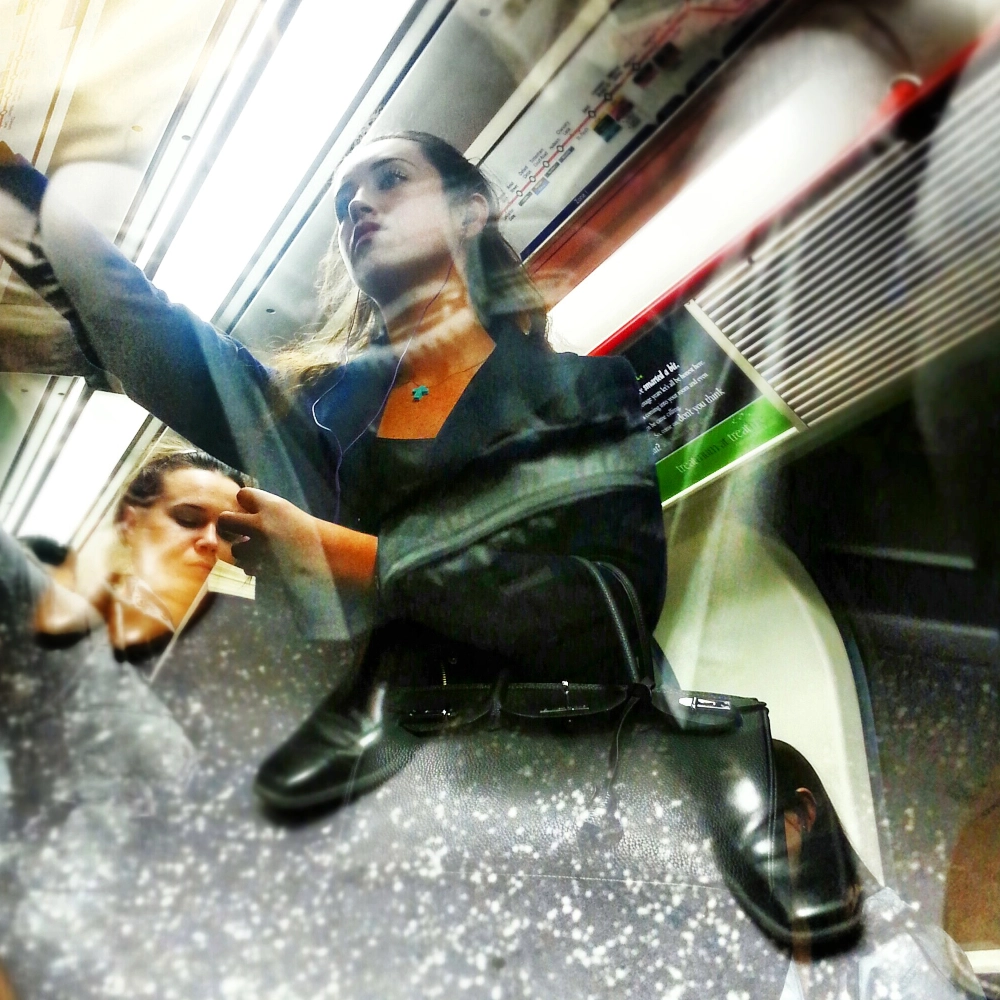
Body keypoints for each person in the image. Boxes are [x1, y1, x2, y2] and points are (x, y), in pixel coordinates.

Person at [0, 132, 668, 811]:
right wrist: (19, 192)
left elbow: (610, 603)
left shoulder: (579, 393)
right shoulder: (315, 414)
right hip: (373, 807)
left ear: (470, 212)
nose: (358, 206)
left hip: (542, 795)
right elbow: (141, 326)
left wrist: (362, 565)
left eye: (389, 180)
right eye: (344, 200)